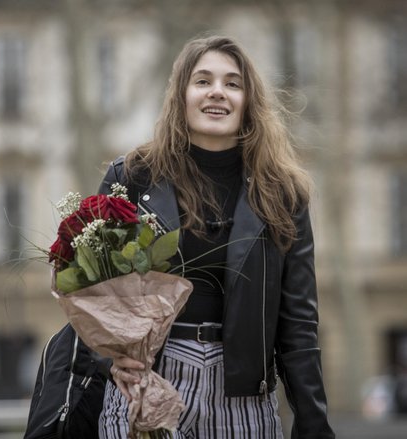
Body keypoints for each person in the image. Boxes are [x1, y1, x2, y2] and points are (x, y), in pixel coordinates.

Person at [96, 35, 335, 438]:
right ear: (182, 95)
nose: (217, 93)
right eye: (203, 81)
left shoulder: (283, 193)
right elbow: (96, 287)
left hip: (243, 393)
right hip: (149, 382)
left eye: (233, 83)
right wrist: (109, 361)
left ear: (248, 101)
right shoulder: (132, 176)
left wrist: (312, 419)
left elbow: (298, 320)